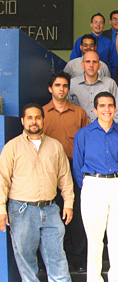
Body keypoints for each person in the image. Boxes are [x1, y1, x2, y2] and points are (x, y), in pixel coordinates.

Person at [0, 103, 74, 282]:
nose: (34, 121)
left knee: (57, 257)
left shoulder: (55, 146)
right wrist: (1, 208)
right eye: (30, 118)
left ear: (43, 120)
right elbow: (2, 179)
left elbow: (65, 176)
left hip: (50, 210)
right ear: (23, 121)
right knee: (26, 261)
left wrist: (69, 203)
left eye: (38, 117)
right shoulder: (12, 147)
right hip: (22, 210)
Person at [73, 92, 118, 282]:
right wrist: (87, 185)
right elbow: (77, 165)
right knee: (94, 237)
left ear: (115, 109)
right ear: (95, 109)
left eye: (110, 106)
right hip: (93, 184)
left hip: (117, 183)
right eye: (102, 106)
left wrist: (117, 180)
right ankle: (94, 278)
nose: (106, 110)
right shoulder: (83, 134)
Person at [43, 71, 89, 272]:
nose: (61, 89)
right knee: (53, 214)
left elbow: (88, 142)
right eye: (58, 85)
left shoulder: (79, 113)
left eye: (64, 86)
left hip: (75, 167)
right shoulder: (42, 113)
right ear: (50, 88)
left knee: (77, 214)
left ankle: (78, 260)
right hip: (49, 170)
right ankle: (54, 260)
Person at [68, 51, 118, 125]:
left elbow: (117, 112)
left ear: (99, 66)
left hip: (105, 131)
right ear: (82, 65)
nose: (91, 65)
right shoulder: (72, 84)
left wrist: (114, 133)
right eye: (88, 62)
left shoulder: (110, 83)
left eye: (94, 62)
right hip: (79, 130)